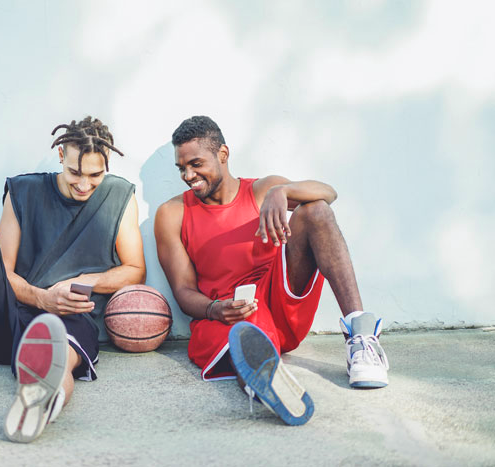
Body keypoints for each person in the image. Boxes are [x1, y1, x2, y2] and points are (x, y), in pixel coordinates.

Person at [0, 116, 146, 442]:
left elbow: (135, 269)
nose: (84, 184)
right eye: (74, 173)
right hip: (8, 315)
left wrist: (84, 282)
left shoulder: (119, 196)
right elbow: (5, 271)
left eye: (95, 175)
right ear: (61, 158)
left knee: (55, 359)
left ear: (106, 165)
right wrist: (41, 297)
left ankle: (39, 398)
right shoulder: (24, 190)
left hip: (70, 317)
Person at [154, 116, 388, 426]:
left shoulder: (261, 190)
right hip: (228, 314)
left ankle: (361, 339)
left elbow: (328, 193)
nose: (188, 175)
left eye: (196, 164)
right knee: (244, 344)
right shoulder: (172, 213)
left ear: (222, 154)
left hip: (280, 305)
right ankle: (268, 383)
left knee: (316, 210)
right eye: (181, 168)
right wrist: (215, 309)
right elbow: (183, 293)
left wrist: (284, 191)